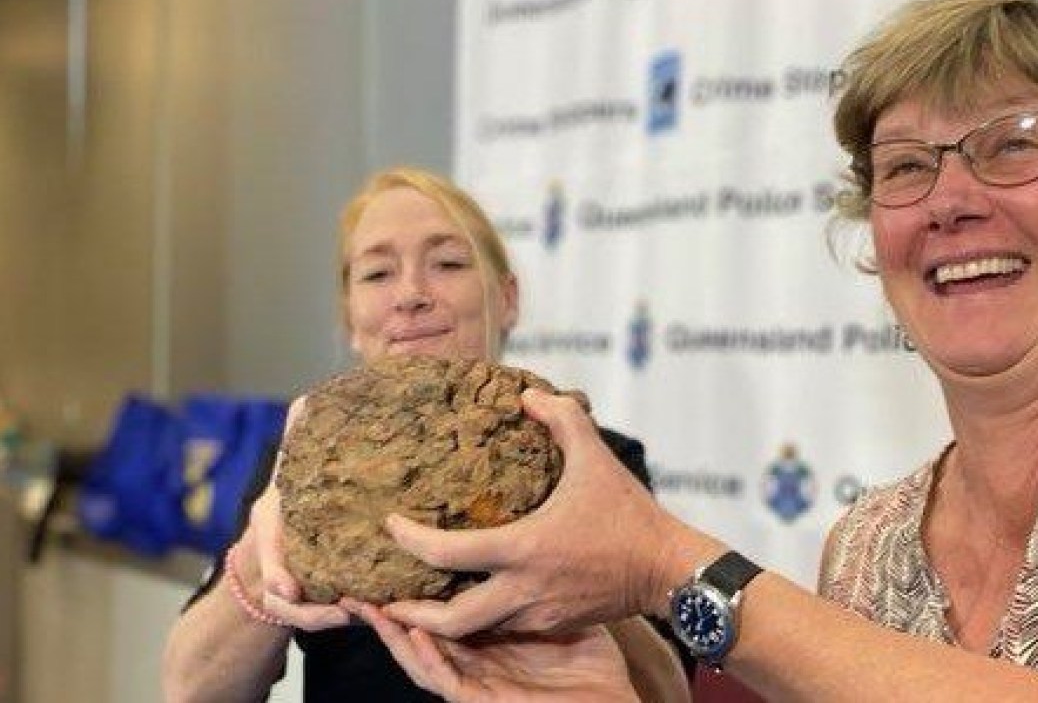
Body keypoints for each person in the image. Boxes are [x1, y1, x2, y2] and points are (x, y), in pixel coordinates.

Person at [342, 0, 1038, 700]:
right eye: (904, 168)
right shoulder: (865, 550)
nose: (951, 201)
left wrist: (670, 565)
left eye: (1011, 142)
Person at [161, 168, 690, 703]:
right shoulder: (300, 461)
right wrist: (267, 558)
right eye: (377, 274)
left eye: (448, 263)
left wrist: (582, 561)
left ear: (506, 299)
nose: (410, 295)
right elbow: (190, 691)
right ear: (349, 317)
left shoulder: (591, 458)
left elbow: (669, 694)